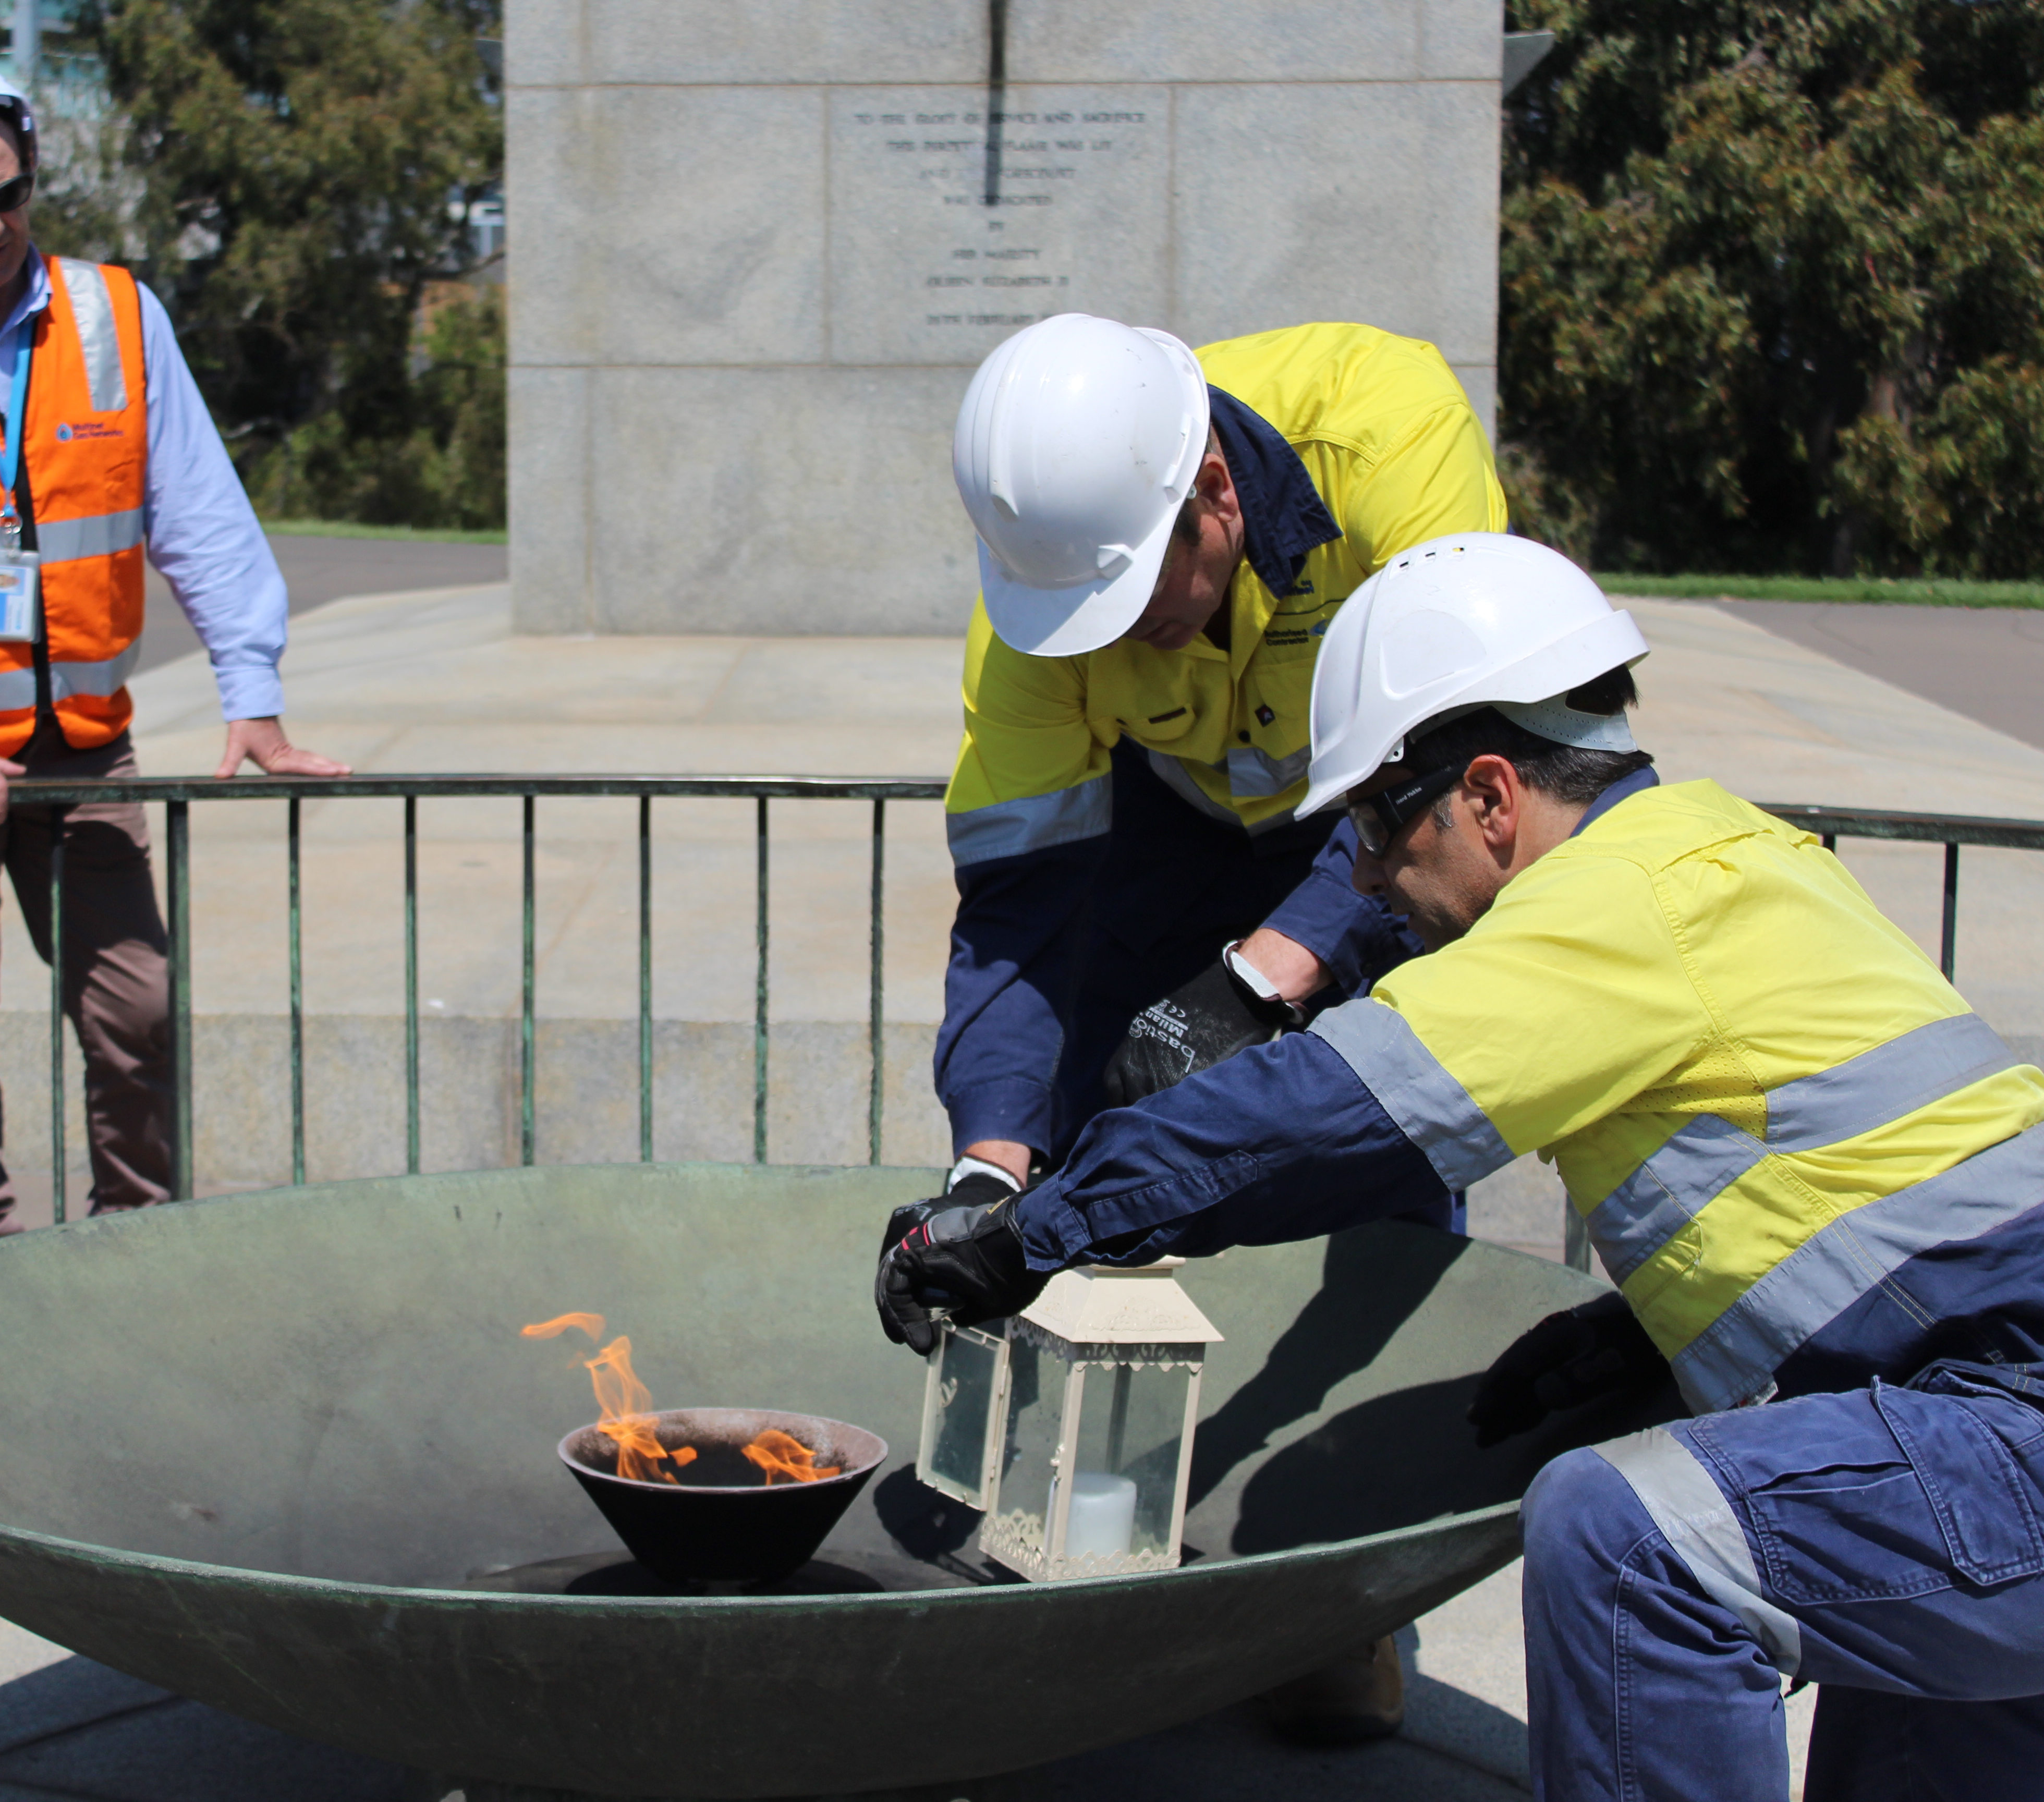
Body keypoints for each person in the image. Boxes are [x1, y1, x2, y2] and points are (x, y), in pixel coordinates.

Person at [876, 532, 2044, 1799]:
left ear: (1490, 797)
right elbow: (1873, 1193)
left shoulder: (1604, 902)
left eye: (1378, 821)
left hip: (2005, 1422)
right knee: (1903, 1690)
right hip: (1980, 1403)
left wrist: (1028, 1231)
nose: (1368, 873)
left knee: (1631, 1537)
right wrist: (1645, 1334)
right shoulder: (1733, 855)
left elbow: (1309, 1117)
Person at [921, 313, 1506, 1734]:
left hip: (1382, 823)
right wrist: (985, 1170)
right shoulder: (1052, 588)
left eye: (1141, 597)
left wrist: (1273, 974)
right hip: (1173, 835)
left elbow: (1457, 768)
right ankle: (1075, 1555)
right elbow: (1019, 908)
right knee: (1080, 1170)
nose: (1117, 635)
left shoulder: (1385, 430)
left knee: (1367, 1165)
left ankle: (1329, 1605)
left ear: (1220, 500)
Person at [0, 56, 345, 1247]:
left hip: (84, 750)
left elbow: (200, 513)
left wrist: (253, 691)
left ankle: (131, 1252)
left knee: (135, 1013)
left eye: (9, 191)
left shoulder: (117, 313)